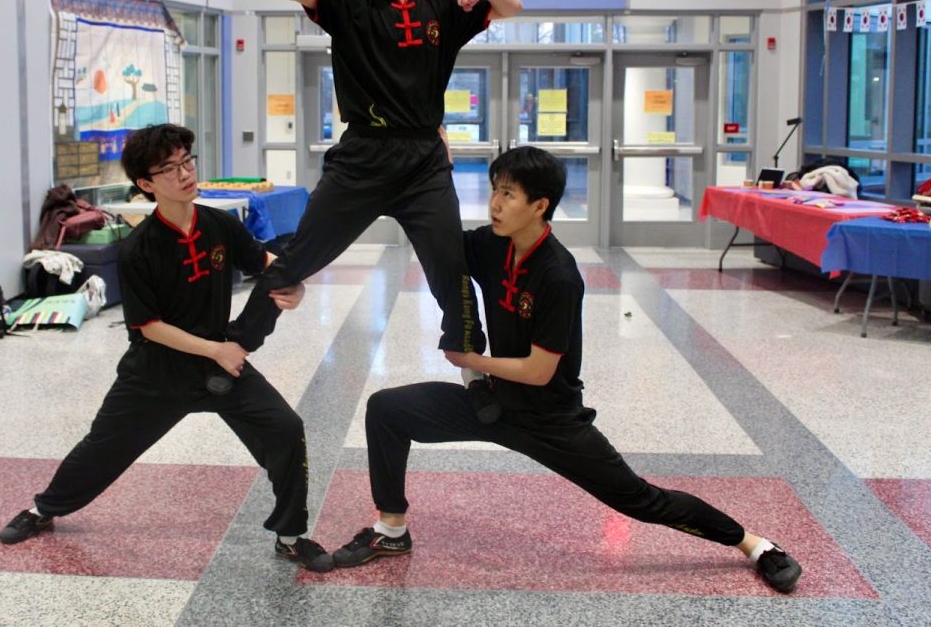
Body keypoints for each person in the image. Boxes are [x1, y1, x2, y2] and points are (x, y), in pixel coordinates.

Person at [331, 146, 803, 594]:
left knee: (641, 500)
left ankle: (755, 545)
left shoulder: (558, 275)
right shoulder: (492, 246)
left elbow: (539, 371)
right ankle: (391, 529)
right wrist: (415, 173)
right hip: (491, 400)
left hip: (549, 418)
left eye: (508, 195)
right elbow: (438, 238)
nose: (494, 204)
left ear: (540, 205)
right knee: (386, 410)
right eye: (495, 190)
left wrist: (471, 361)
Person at [207, 0, 523, 413]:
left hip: (422, 159)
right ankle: (235, 346)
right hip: (362, 156)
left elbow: (513, 8)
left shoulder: (444, 8)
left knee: (451, 269)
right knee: (297, 257)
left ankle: (474, 372)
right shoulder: (350, 5)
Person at [0, 123, 334, 573]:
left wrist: (296, 288)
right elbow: (148, 326)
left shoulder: (218, 224)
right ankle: (43, 509)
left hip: (221, 362)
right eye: (169, 169)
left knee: (286, 430)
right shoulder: (138, 248)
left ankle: (290, 535)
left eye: (187, 162)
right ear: (146, 184)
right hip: (157, 372)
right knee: (103, 448)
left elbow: (266, 263)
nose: (184, 174)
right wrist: (217, 352)